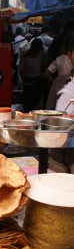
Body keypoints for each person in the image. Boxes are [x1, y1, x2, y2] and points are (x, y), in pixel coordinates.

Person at [46, 35, 74, 174]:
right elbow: (48, 114)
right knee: (56, 190)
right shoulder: (59, 82)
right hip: (58, 154)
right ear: (69, 55)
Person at [19, 38, 48, 112]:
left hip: (38, 79)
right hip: (28, 80)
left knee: (37, 98)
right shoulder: (26, 56)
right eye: (36, 51)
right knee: (28, 100)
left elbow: (43, 65)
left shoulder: (41, 54)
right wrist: (24, 82)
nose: (37, 52)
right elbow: (21, 70)